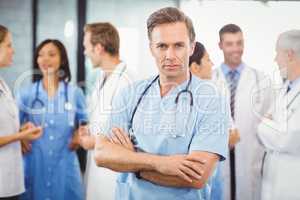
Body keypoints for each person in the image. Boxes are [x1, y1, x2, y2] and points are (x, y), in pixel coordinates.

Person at [93, 7, 229, 200]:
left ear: (191, 47)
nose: (170, 55)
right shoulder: (131, 94)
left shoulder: (212, 100)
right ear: (151, 48)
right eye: (162, 46)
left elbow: (196, 176)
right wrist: (159, 163)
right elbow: (101, 153)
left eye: (178, 45)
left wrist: (134, 165)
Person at [17, 39, 88, 200]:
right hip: (34, 165)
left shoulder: (74, 93)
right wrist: (20, 136)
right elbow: (13, 126)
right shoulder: (26, 94)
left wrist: (80, 133)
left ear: (62, 59)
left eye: (51, 54)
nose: (45, 59)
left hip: (65, 165)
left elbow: (85, 121)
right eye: (40, 55)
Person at [212, 24, 272, 200]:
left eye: (239, 43)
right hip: (219, 159)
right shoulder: (209, 81)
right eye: (229, 44)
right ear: (220, 46)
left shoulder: (261, 81)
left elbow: (270, 124)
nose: (236, 49)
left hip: (250, 159)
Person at [79, 22, 133, 200]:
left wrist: (92, 141)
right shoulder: (102, 77)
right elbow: (101, 119)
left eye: (86, 47)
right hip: (98, 167)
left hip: (113, 172)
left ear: (99, 48)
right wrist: (89, 130)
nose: (85, 52)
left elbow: (129, 133)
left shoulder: (127, 82)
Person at [0, 24, 42, 200]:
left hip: (10, 183)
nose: (13, 51)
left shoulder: (3, 83)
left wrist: (21, 131)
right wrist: (18, 137)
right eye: (8, 45)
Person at [257, 30, 300, 200]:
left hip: (293, 184)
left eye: (277, 53)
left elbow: (289, 137)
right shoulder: (285, 88)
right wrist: (271, 125)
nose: (275, 59)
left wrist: (264, 124)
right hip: (275, 180)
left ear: (289, 55)